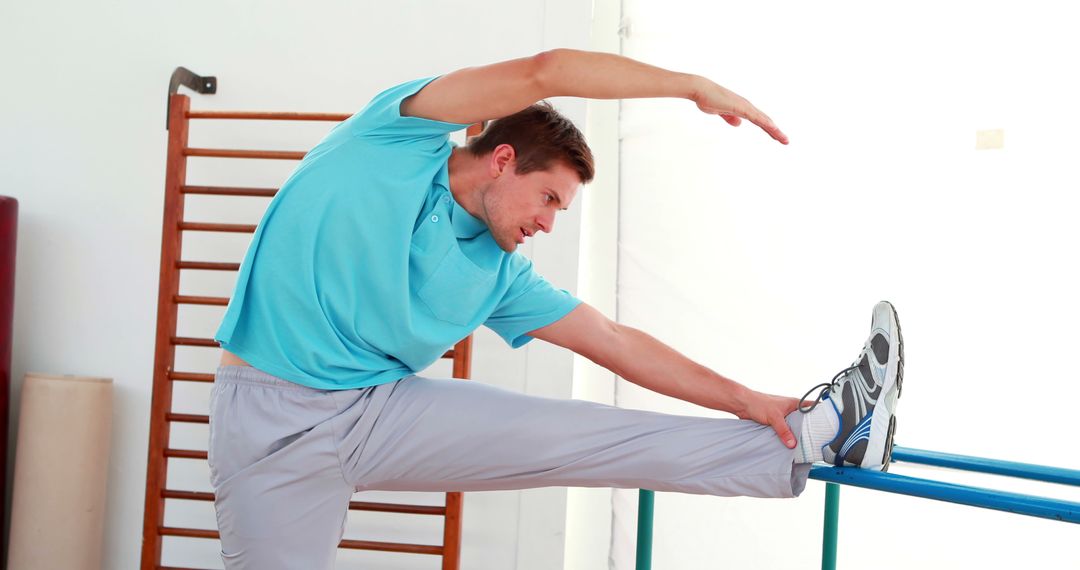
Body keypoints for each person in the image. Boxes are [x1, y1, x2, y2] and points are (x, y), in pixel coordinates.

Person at [209, 49, 904, 569]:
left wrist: (749, 399)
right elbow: (545, 73)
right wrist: (688, 85)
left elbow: (611, 340)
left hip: (378, 410)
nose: (548, 223)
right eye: (548, 198)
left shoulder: (499, 274)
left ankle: (823, 434)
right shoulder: (389, 139)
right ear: (502, 159)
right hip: (271, 423)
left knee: (587, 434)